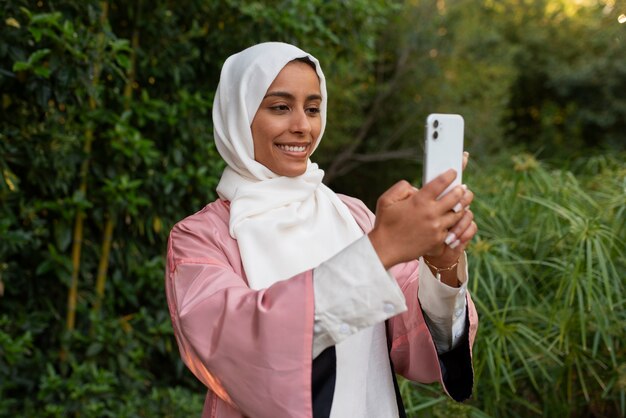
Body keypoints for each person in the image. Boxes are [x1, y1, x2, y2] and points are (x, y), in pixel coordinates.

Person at [165, 42, 478, 418]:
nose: (302, 126)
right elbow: (238, 349)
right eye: (280, 107)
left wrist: (440, 265)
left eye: (312, 109)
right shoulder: (199, 239)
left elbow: (411, 340)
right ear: (238, 114)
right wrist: (379, 250)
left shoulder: (353, 215)